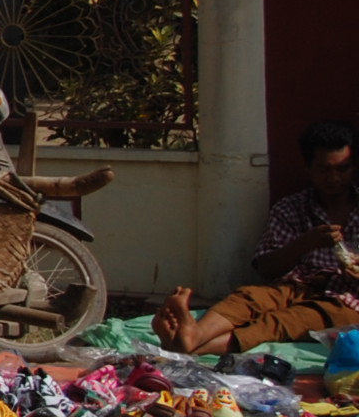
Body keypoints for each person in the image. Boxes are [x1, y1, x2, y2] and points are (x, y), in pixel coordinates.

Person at [154, 120, 359, 354]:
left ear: (354, 168)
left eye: (343, 169)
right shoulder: (291, 208)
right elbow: (266, 268)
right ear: (309, 168)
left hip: (346, 300)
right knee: (248, 298)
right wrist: (304, 244)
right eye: (324, 170)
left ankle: (191, 346)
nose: (334, 178)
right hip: (295, 285)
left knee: (284, 322)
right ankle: (195, 334)